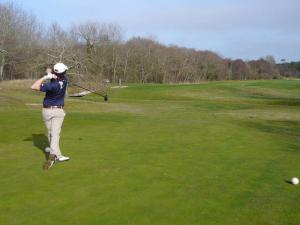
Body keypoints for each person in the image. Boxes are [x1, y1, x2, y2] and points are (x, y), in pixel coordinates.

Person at [31, 62, 70, 169]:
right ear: (63, 72)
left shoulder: (51, 84)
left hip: (46, 111)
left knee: (51, 132)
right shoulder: (64, 80)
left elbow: (34, 86)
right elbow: (52, 72)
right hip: (58, 111)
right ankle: (53, 155)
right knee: (55, 134)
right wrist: (51, 74)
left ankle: (58, 155)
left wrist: (45, 77)